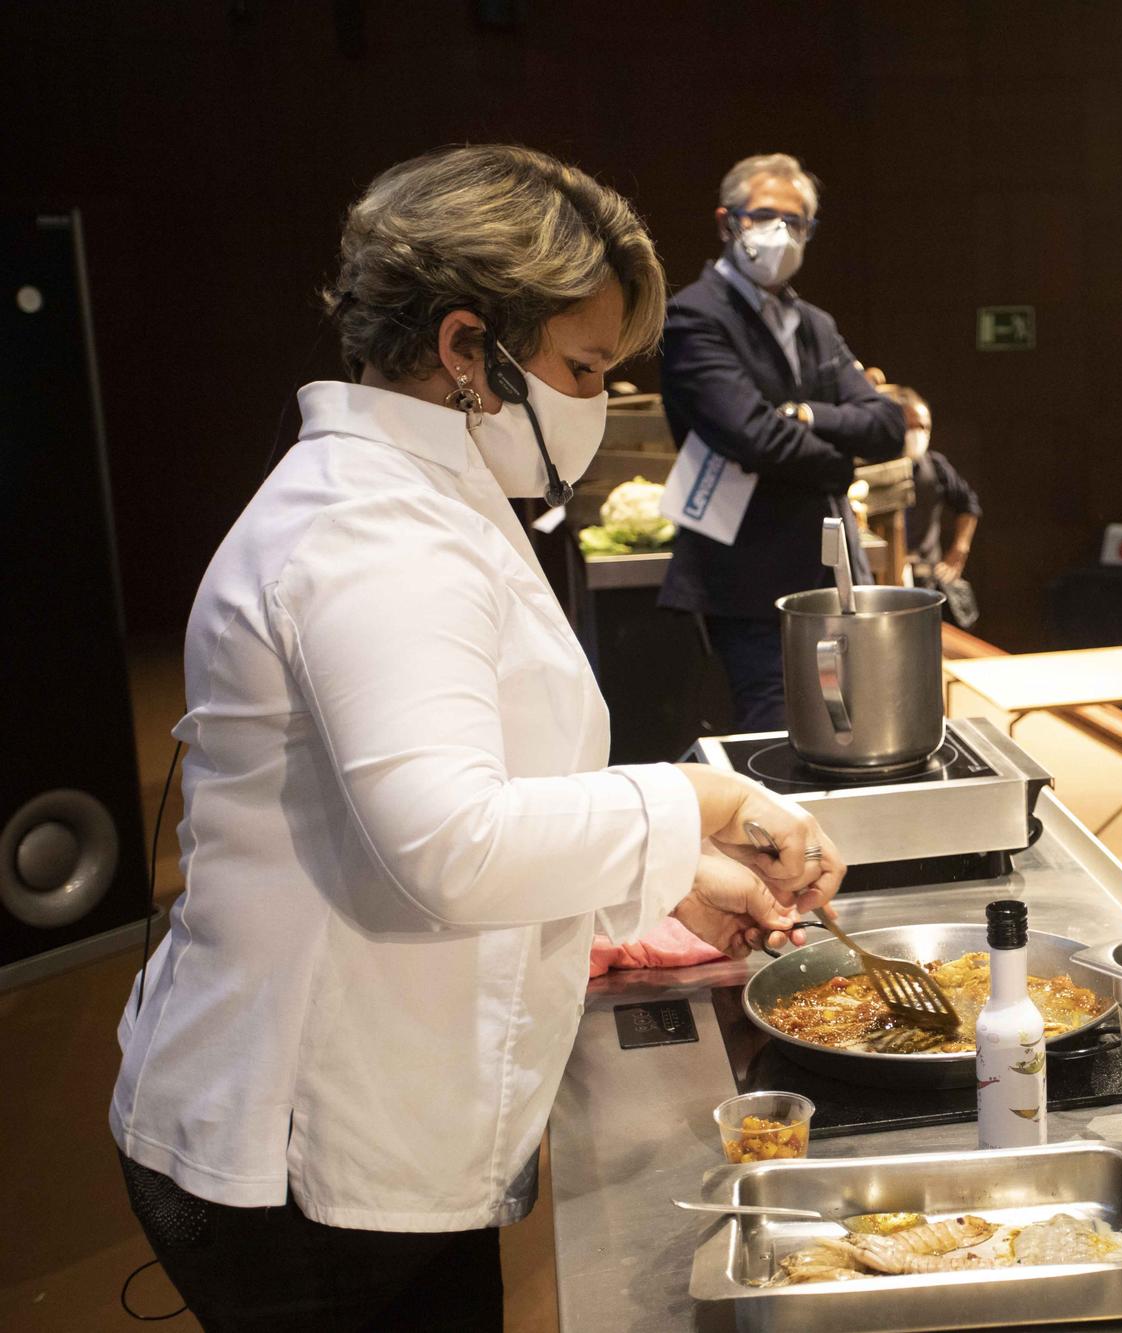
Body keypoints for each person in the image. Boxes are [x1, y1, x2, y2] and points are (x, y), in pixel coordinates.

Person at [109, 146, 846, 1329]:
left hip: (372, 1110)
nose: (597, 401)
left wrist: (669, 879)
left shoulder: (425, 500)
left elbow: (483, 792)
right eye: (580, 366)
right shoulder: (372, 528)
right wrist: (704, 806)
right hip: (299, 1151)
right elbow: (449, 841)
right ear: (464, 350)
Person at [656, 152, 905, 729]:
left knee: (851, 728)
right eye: (764, 215)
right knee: (773, 735)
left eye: (796, 222)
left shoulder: (813, 322)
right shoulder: (693, 317)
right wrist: (841, 464)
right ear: (728, 222)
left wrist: (803, 413)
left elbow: (888, 424)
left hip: (832, 569)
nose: (782, 233)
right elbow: (754, 436)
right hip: (750, 577)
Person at [881, 384, 981, 614]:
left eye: (924, 427)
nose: (918, 433)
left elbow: (968, 504)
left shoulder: (935, 466)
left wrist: (959, 550)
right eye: (911, 426)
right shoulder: (875, 465)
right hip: (883, 580)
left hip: (925, 579)